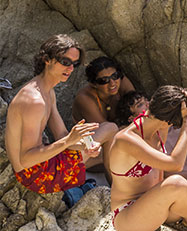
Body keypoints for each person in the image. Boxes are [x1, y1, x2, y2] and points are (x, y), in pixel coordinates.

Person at [106, 86, 187, 231]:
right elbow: (176, 164)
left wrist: (183, 97)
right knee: (176, 182)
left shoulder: (159, 126)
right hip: (129, 216)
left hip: (164, 203)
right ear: (169, 121)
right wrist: (186, 121)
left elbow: (168, 101)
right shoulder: (126, 139)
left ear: (152, 104)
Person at [3, 35, 112, 194]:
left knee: (100, 152)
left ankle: (111, 183)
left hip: (40, 165)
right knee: (110, 128)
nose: (70, 69)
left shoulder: (47, 90)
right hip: (35, 176)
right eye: (65, 62)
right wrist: (70, 140)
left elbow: (61, 134)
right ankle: (116, 189)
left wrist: (85, 146)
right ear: (47, 59)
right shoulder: (35, 101)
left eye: (74, 64)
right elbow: (25, 160)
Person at [73, 56, 138, 124]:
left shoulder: (121, 81)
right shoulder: (85, 98)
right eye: (104, 80)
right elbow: (103, 128)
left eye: (115, 76)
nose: (112, 83)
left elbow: (139, 108)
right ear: (93, 84)